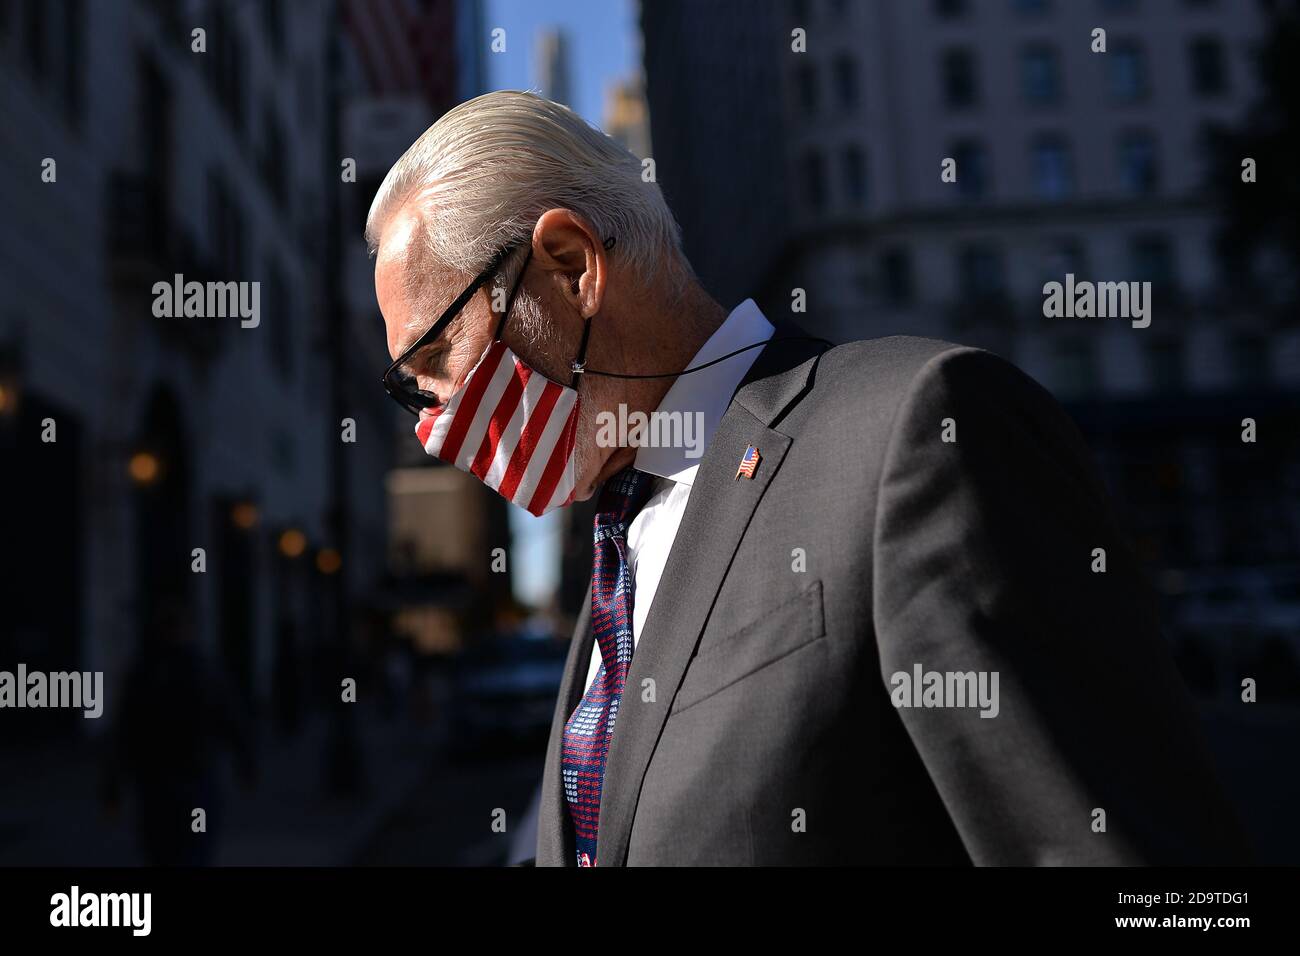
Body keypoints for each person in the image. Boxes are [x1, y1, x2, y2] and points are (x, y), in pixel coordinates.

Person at [365, 90, 1250, 866]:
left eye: (434, 357)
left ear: (569, 266)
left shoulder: (922, 431)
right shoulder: (615, 541)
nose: (434, 419)